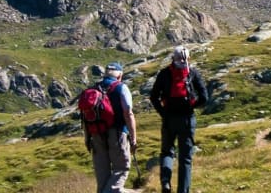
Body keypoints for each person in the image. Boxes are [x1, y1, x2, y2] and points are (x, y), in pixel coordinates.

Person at [148, 45, 208, 193]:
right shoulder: (192, 72)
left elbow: (153, 97)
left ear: (173, 58)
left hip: (169, 119)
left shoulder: (164, 73)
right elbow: (204, 97)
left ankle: (166, 182)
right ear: (188, 58)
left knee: (167, 152)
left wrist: (163, 113)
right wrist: (192, 107)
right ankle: (183, 190)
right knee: (185, 158)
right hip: (187, 119)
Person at [83, 62, 138, 193]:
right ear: (120, 75)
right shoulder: (121, 88)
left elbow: (85, 117)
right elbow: (128, 113)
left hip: (96, 134)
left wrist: (87, 138)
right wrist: (133, 138)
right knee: (121, 168)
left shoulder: (93, 89)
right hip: (117, 134)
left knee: (102, 174)